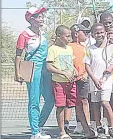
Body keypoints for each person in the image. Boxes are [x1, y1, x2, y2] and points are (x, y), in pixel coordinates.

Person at [14, 7, 54, 139]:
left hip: (45, 69)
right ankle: (35, 133)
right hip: (32, 69)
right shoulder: (24, 35)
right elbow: (18, 55)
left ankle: (39, 126)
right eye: (39, 17)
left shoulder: (43, 33)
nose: (41, 19)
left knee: (50, 100)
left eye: (42, 16)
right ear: (31, 19)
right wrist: (17, 72)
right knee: (34, 101)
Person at [84, 23, 113, 139]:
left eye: (101, 32)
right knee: (95, 105)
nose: (99, 34)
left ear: (105, 33)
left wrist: (111, 67)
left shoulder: (111, 47)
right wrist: (94, 79)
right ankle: (100, 128)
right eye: (97, 33)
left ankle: (112, 128)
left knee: (105, 102)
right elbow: (87, 65)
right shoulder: (90, 49)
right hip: (94, 81)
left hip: (106, 80)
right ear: (93, 35)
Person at [46, 25, 78, 139]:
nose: (69, 39)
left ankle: (66, 125)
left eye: (70, 36)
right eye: (67, 36)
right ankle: (61, 132)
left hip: (70, 82)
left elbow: (71, 63)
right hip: (59, 82)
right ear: (59, 36)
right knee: (60, 106)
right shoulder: (52, 49)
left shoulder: (69, 48)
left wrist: (74, 70)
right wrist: (62, 73)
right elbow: (48, 66)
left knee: (70, 105)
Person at [68, 24, 97, 137]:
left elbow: (87, 63)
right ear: (76, 34)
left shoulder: (86, 48)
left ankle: (87, 125)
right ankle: (70, 125)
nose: (86, 34)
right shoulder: (69, 47)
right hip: (71, 79)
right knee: (71, 103)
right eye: (83, 32)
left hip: (84, 79)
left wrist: (85, 73)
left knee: (84, 101)